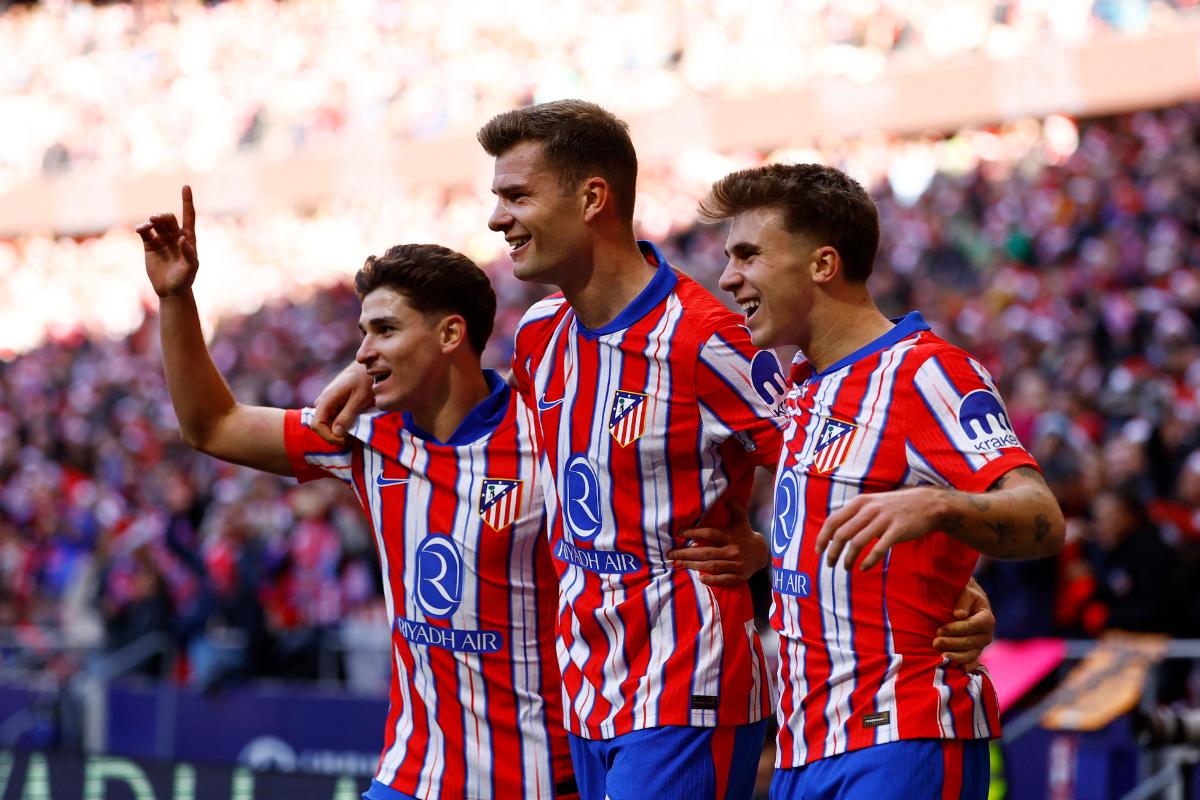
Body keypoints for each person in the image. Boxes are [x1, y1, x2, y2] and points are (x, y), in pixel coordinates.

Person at [316, 100, 999, 800]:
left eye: (517, 195)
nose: (497, 218)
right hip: (587, 692)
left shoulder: (707, 341)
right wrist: (368, 369)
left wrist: (926, 572)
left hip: (689, 685)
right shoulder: (541, 337)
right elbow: (473, 405)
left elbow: (829, 458)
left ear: (591, 199)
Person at [137, 187, 576, 800]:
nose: (362, 352)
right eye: (362, 332)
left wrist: (742, 549)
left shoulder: (553, 436)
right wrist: (177, 298)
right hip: (409, 777)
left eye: (385, 330)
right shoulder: (364, 437)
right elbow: (211, 426)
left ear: (451, 335)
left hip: (538, 781)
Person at [700, 163, 1066, 799]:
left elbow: (1041, 516)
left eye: (749, 255)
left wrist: (941, 507)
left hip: (901, 735)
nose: (729, 278)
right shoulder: (800, 385)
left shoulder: (925, 372)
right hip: (804, 743)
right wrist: (765, 552)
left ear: (822, 264)